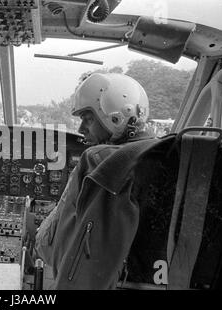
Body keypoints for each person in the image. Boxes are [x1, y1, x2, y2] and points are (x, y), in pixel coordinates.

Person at [34, 73, 154, 289]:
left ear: (115, 116)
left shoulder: (95, 161)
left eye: (88, 119)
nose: (81, 130)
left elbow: (49, 249)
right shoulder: (168, 156)